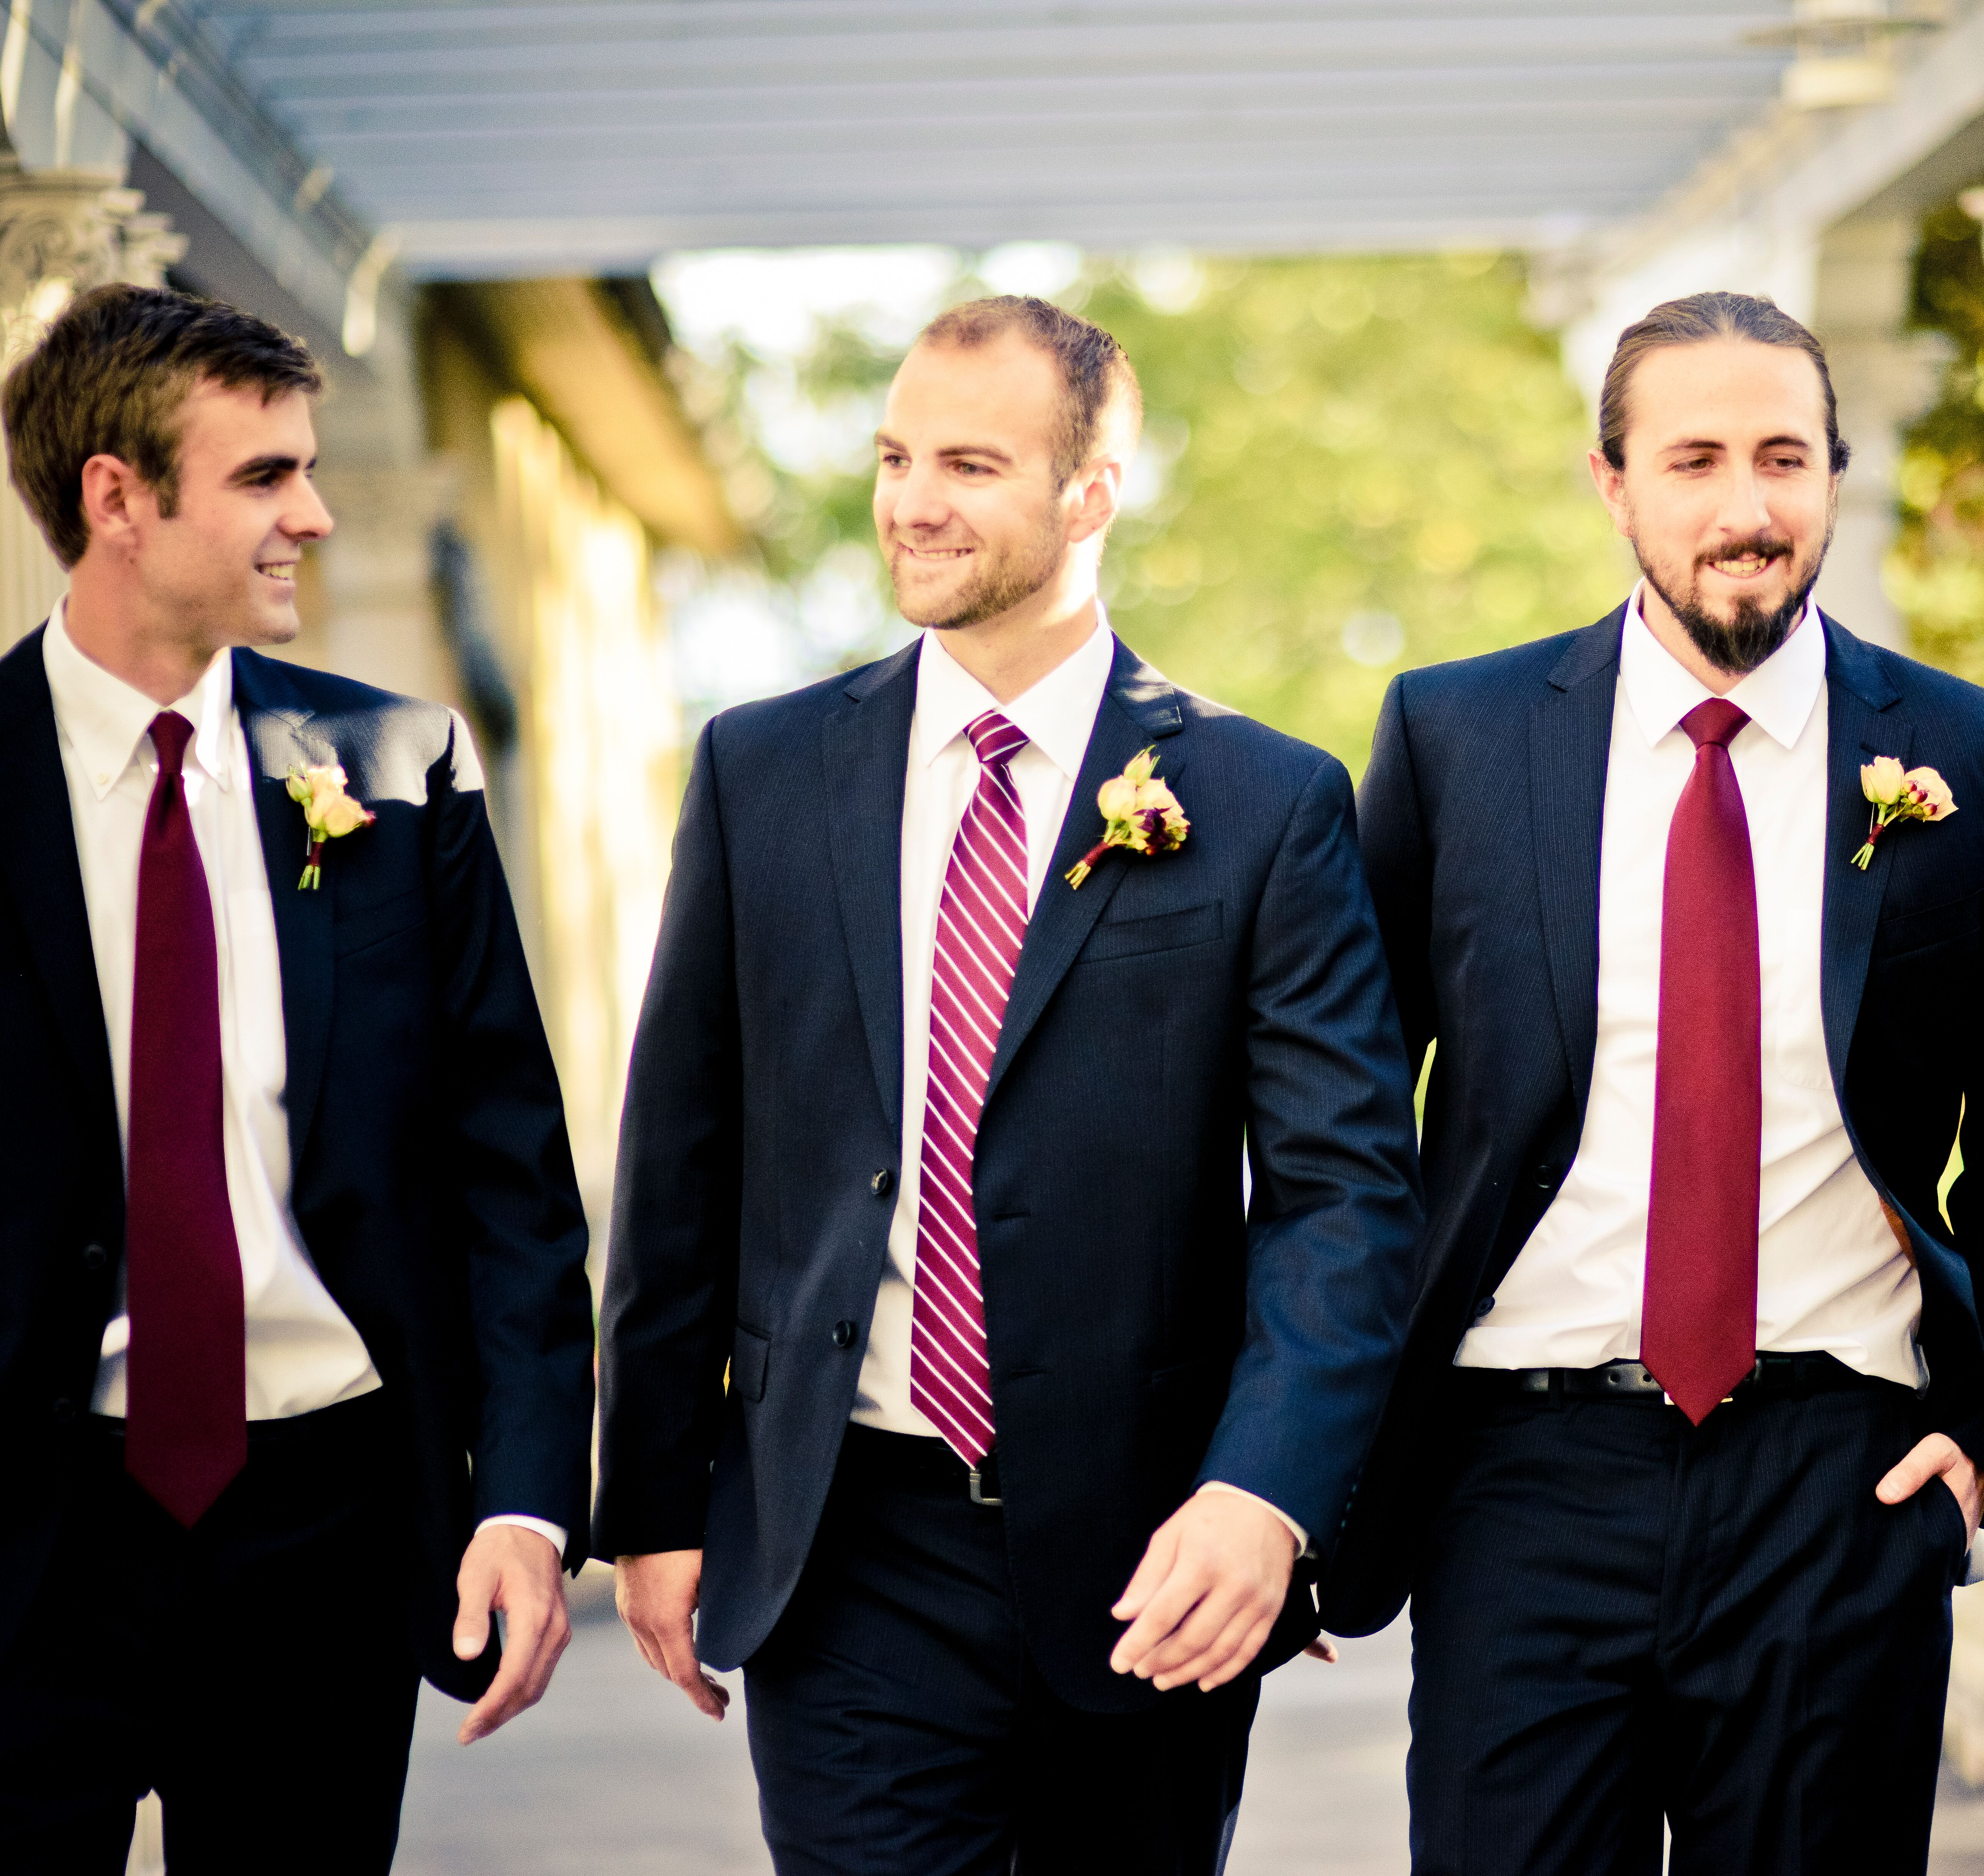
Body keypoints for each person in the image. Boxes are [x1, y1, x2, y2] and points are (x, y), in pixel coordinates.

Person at [596, 294, 1423, 1875]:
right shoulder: (761, 771)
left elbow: (1341, 1196)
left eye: (970, 463)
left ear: (1091, 492)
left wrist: (1268, 1492)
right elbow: (683, 1156)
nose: (912, 501)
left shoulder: (1260, 803)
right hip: (847, 1537)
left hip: (1151, 1552)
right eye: (898, 454)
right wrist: (650, 1492)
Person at [1316, 290, 1984, 1876]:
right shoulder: (1455, 738)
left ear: (1834, 475)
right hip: (1517, 1478)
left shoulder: (1976, 756)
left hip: (1840, 1481)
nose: (1745, 509)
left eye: (1785, 458)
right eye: (1695, 460)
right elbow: (1339, 1126)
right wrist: (1300, 1456)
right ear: (1612, 484)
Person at [0, 285, 593, 1870]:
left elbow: (509, 1181)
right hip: (22, 1533)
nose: (312, 517)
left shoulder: (401, 769)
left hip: (326, 1517)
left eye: (309, 472)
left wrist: (525, 1499)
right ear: (116, 496)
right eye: (263, 478)